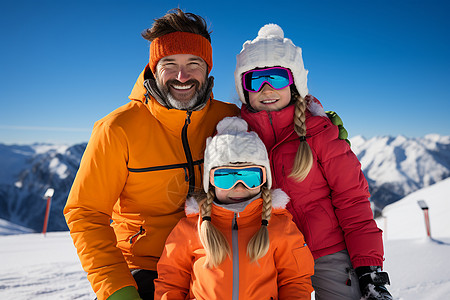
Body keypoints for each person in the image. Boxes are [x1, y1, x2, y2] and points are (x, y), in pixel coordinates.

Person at [63, 8, 240, 300]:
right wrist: (117, 288)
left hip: (216, 263)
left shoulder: (229, 119)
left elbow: (280, 144)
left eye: (193, 63)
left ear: (207, 68)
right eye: (169, 63)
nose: (182, 76)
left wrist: (317, 122)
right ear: (153, 68)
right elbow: (86, 214)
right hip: (145, 268)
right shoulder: (118, 128)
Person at [234, 24, 393, 300]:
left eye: (277, 78)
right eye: (255, 80)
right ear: (243, 88)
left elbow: (352, 200)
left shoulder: (320, 132)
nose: (266, 88)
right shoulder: (235, 137)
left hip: (328, 252)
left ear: (294, 83)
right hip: (267, 255)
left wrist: (369, 270)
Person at [154, 116, 315, 299]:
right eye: (226, 177)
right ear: (211, 181)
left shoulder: (280, 225)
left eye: (250, 177)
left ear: (264, 180)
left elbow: (295, 281)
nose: (239, 186)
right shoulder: (189, 229)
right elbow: (170, 282)